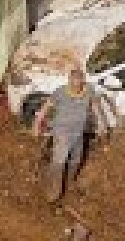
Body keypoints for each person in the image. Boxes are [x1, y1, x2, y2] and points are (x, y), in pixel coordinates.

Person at [33, 68, 115, 204]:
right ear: (69, 81)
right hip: (62, 132)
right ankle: (53, 191)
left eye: (78, 84)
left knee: (77, 159)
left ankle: (69, 181)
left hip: (78, 132)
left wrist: (102, 126)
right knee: (59, 161)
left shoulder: (88, 90)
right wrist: (36, 125)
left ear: (83, 82)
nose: (75, 86)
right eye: (72, 83)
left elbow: (96, 108)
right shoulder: (60, 92)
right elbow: (44, 109)